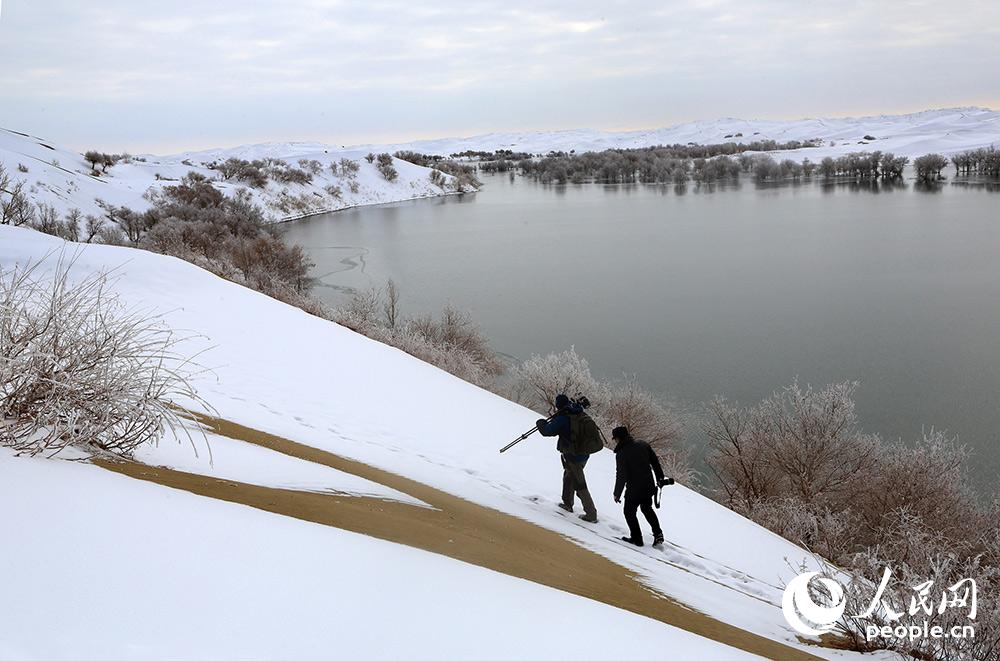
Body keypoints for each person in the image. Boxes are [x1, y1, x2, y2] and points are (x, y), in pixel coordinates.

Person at [536, 394, 598, 523]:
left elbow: (547, 431)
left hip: (572, 455)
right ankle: (567, 503)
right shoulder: (578, 412)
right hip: (584, 454)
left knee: (579, 483)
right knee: (569, 476)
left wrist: (540, 423)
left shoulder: (563, 418)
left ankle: (591, 514)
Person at [612, 426, 669, 547]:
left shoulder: (621, 454)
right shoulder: (643, 444)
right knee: (647, 509)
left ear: (618, 438)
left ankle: (637, 538)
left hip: (634, 489)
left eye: (615, 439)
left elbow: (621, 476)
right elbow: (655, 462)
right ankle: (658, 534)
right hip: (648, 486)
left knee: (629, 512)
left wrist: (617, 493)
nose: (615, 441)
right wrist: (660, 478)